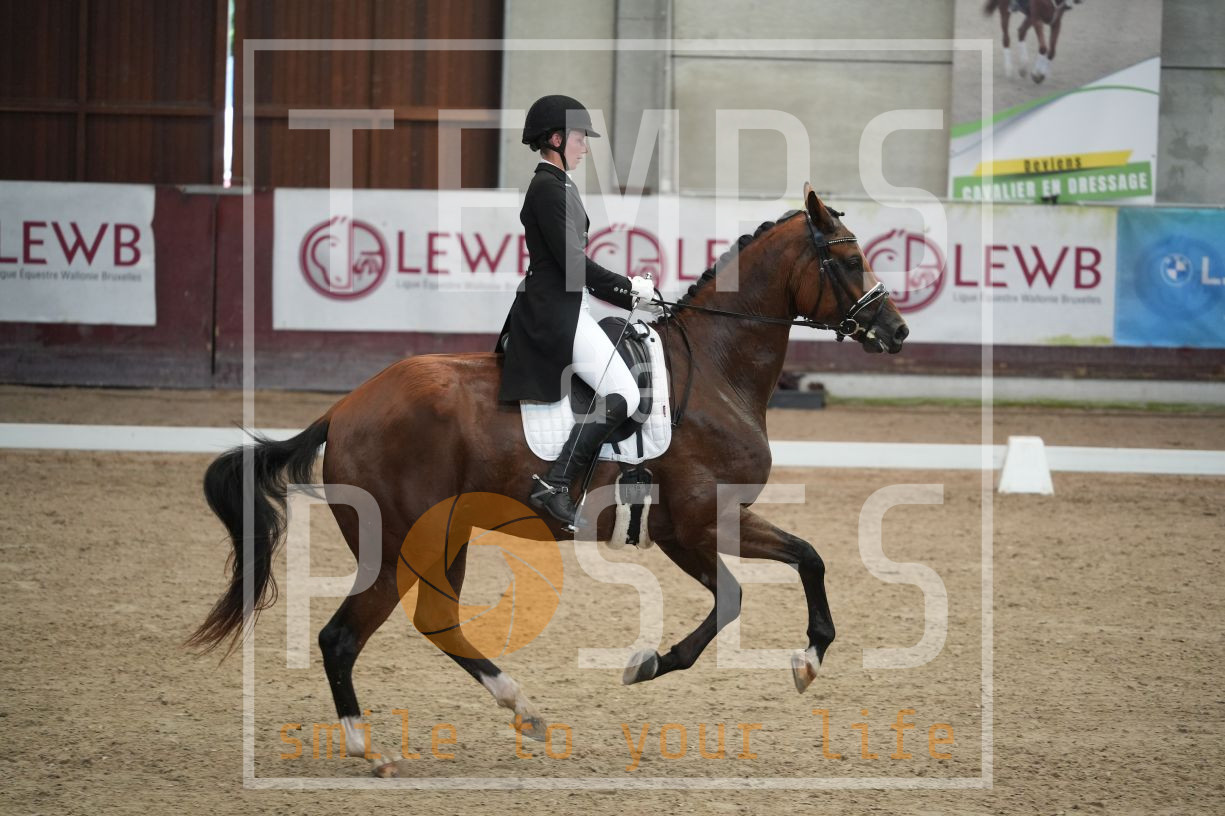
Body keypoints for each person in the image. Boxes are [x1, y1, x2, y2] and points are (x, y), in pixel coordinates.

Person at [495, 94, 661, 527]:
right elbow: (574, 265)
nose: (585, 146)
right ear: (555, 139)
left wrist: (629, 293)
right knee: (623, 394)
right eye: (578, 137)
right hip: (555, 313)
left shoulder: (560, 184)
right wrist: (629, 289)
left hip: (568, 305)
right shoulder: (548, 188)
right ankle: (555, 485)